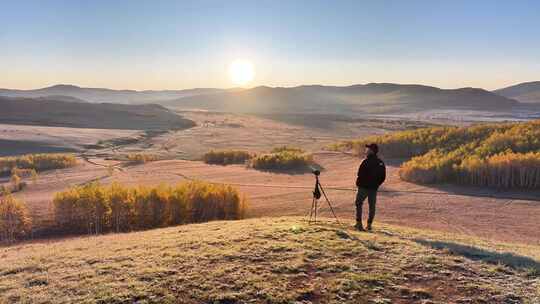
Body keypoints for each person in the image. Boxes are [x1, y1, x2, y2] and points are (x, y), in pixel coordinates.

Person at [355, 143, 386, 231]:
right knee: (372, 206)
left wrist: (359, 183)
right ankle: (369, 225)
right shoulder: (380, 162)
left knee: (358, 203)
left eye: (368, 150)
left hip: (363, 188)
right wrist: (376, 185)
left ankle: (359, 223)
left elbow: (359, 174)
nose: (366, 151)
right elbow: (383, 177)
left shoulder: (366, 161)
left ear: (372, 151)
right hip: (373, 189)